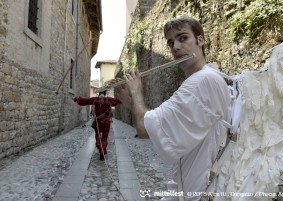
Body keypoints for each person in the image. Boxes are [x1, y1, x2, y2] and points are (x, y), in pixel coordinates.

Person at [115, 16, 231, 200]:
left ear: (200, 41)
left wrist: (137, 92)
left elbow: (144, 129)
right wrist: (130, 102)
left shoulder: (202, 81)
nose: (175, 47)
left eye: (183, 38)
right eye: (170, 43)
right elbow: (157, 123)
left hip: (201, 190)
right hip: (188, 187)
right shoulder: (205, 77)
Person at [73, 91, 122, 161]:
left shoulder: (95, 99)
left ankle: (100, 148)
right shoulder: (109, 99)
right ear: (105, 94)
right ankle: (102, 152)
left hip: (98, 122)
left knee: (98, 136)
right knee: (104, 137)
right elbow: (118, 101)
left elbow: (85, 101)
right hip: (106, 122)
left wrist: (76, 99)